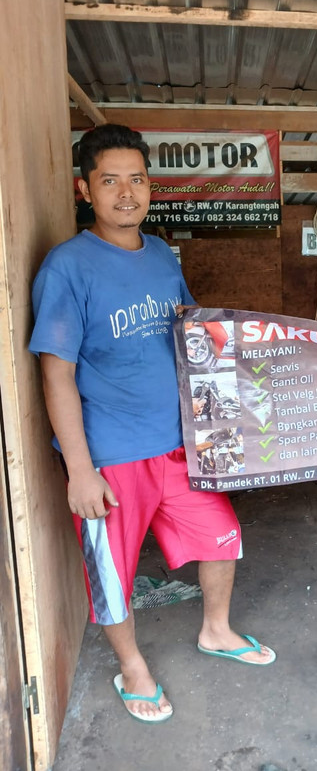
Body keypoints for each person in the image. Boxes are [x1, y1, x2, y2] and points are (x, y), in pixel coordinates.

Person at [29, 124, 275, 724]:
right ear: (84, 189)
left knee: (222, 535)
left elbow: (186, 328)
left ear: (150, 185)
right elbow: (56, 373)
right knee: (112, 571)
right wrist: (80, 470)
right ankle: (132, 668)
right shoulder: (67, 267)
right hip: (111, 451)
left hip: (178, 442)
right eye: (109, 181)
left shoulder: (162, 253)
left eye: (136, 179)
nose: (125, 193)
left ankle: (215, 629)